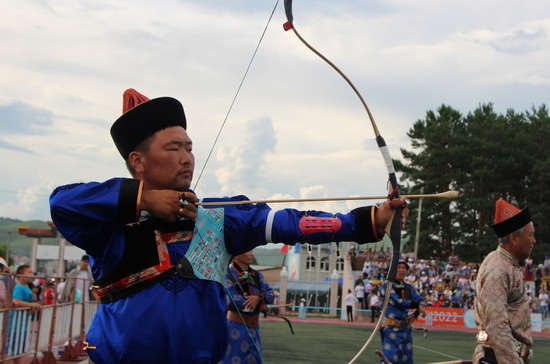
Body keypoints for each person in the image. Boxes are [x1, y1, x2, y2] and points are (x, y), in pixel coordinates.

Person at [49, 89, 409, 364]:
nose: (187, 157)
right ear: (137, 161)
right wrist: (144, 199)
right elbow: (61, 202)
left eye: (189, 148)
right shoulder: (108, 223)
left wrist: (369, 220)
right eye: (174, 148)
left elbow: (287, 223)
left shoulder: (218, 218)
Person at [473, 199, 535, 364]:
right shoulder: (497, 269)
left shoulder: (505, 264)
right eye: (531, 235)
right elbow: (497, 325)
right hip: (499, 358)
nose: (534, 241)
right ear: (514, 238)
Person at [221, 250, 274, 364]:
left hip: (254, 329)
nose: (252, 254)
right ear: (236, 255)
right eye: (248, 251)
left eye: (252, 251)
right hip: (236, 327)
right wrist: (259, 302)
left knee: (255, 359)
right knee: (232, 359)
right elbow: (231, 298)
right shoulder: (227, 274)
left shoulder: (257, 275)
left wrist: (259, 298)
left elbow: (271, 294)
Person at [379, 258, 426, 364]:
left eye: (403, 268)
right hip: (391, 329)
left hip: (406, 330)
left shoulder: (408, 287)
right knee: (389, 359)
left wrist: (415, 314)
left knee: (407, 360)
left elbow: (421, 302)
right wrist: (417, 305)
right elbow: (398, 301)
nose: (401, 270)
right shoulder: (387, 286)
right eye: (398, 267)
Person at [8, 265, 42, 356]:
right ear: (20, 276)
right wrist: (31, 305)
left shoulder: (27, 287)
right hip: (15, 324)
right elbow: (16, 301)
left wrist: (33, 307)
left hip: (23, 323)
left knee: (19, 350)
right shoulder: (19, 287)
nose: (32, 274)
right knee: (11, 350)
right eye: (29, 272)